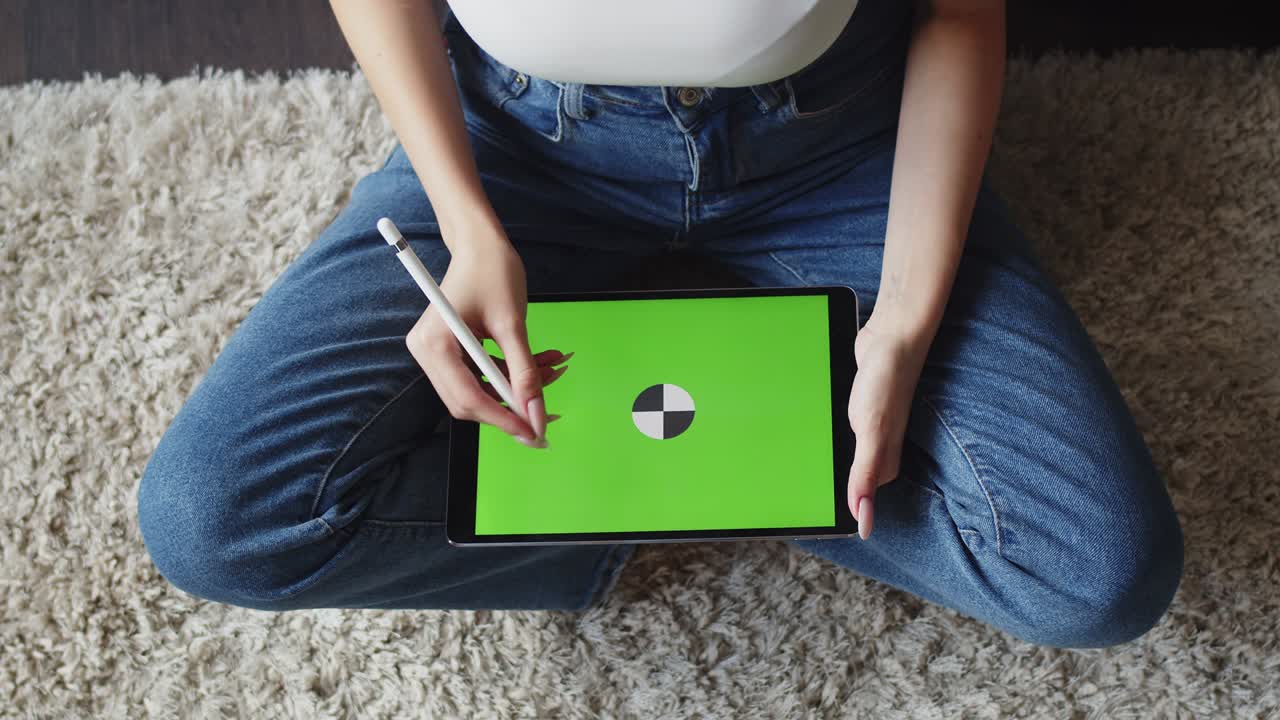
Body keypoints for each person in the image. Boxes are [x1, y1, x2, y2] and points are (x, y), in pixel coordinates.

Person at [136, 0, 1184, 649]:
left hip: (840, 148)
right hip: (519, 148)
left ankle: (675, 469)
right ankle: (654, 496)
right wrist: (467, 225)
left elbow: (956, 14)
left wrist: (902, 325)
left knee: (1094, 577)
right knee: (213, 521)